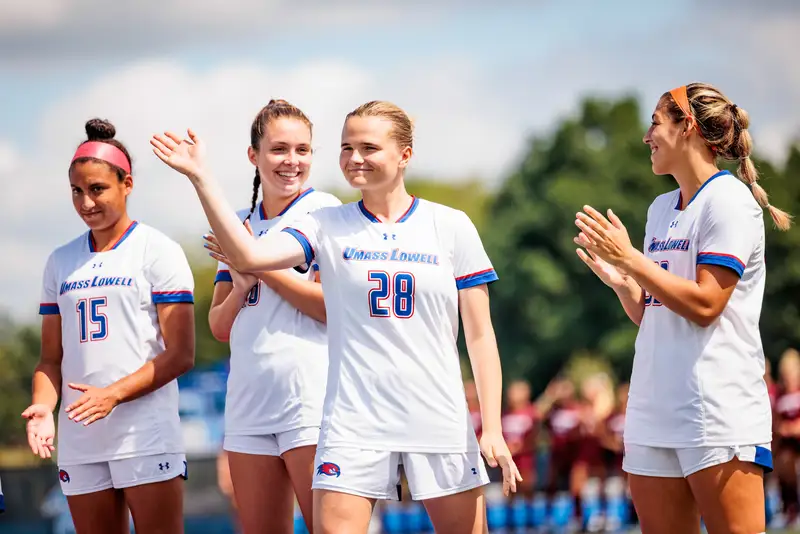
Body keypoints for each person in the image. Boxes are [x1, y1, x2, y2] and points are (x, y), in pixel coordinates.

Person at [151, 100, 521, 534]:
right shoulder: (325, 223)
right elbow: (249, 255)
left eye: (368, 147)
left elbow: (479, 336)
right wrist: (201, 177)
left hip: (437, 416)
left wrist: (491, 428)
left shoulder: (451, 225)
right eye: (346, 147)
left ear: (405, 154)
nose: (354, 158)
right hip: (352, 422)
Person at [574, 82, 792, 534]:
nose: (646, 137)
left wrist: (631, 260)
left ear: (687, 126)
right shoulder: (660, 209)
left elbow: (706, 304)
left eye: (655, 123)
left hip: (716, 411)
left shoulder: (728, 201)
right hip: (652, 411)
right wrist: (625, 285)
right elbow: (655, 313)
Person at [24, 119, 195, 534]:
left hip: (145, 435)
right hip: (81, 439)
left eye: (97, 189)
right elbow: (50, 360)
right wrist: (44, 407)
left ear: (127, 184)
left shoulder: (158, 251)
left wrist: (112, 395)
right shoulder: (60, 261)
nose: (86, 202)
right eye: (76, 191)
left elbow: (181, 355)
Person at [208, 99, 340, 534]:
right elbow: (219, 326)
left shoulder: (324, 211)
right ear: (254, 155)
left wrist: (256, 262)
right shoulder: (239, 223)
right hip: (248, 404)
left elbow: (329, 308)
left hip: (309, 401)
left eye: (303, 150)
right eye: (279, 149)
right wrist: (241, 284)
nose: (292, 160)